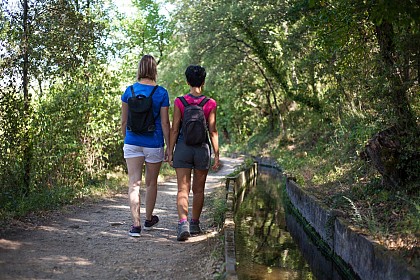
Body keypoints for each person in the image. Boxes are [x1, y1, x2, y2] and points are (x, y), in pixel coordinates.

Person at [168, 65, 220, 241]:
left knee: (182, 190)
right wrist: (217, 155)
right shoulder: (210, 103)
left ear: (187, 81)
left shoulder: (180, 102)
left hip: (183, 147)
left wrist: (170, 150)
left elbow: (175, 129)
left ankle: (183, 223)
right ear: (203, 81)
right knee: (198, 190)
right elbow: (213, 131)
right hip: (202, 150)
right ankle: (195, 224)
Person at [121, 54, 170, 237]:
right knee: (151, 183)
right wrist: (169, 147)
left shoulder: (129, 91)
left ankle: (136, 225)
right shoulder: (161, 92)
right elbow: (166, 124)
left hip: (132, 142)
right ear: (154, 70)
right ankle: (149, 219)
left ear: (140, 69)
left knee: (134, 183)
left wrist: (128, 140)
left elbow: (123, 122)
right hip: (154, 143)